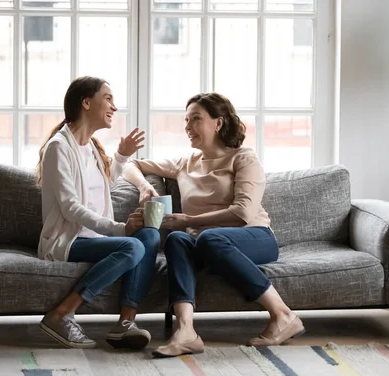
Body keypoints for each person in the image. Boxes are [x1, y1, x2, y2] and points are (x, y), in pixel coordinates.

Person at [122, 92, 305, 358]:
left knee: (206, 237)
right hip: (205, 244)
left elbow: (243, 213)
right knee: (176, 239)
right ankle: (185, 331)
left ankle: (283, 314)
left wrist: (189, 221)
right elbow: (131, 164)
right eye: (186, 120)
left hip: (253, 237)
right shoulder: (186, 162)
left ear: (218, 123)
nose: (187, 126)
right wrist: (144, 187)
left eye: (196, 118)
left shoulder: (243, 158)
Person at [36, 76, 160, 350]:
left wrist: (122, 156)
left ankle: (126, 323)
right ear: (86, 102)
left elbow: (104, 187)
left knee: (150, 236)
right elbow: (71, 208)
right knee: (131, 247)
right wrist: (119, 229)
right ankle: (62, 313)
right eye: (108, 98)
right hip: (68, 239)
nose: (114, 107)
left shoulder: (90, 146)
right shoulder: (59, 147)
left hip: (91, 236)